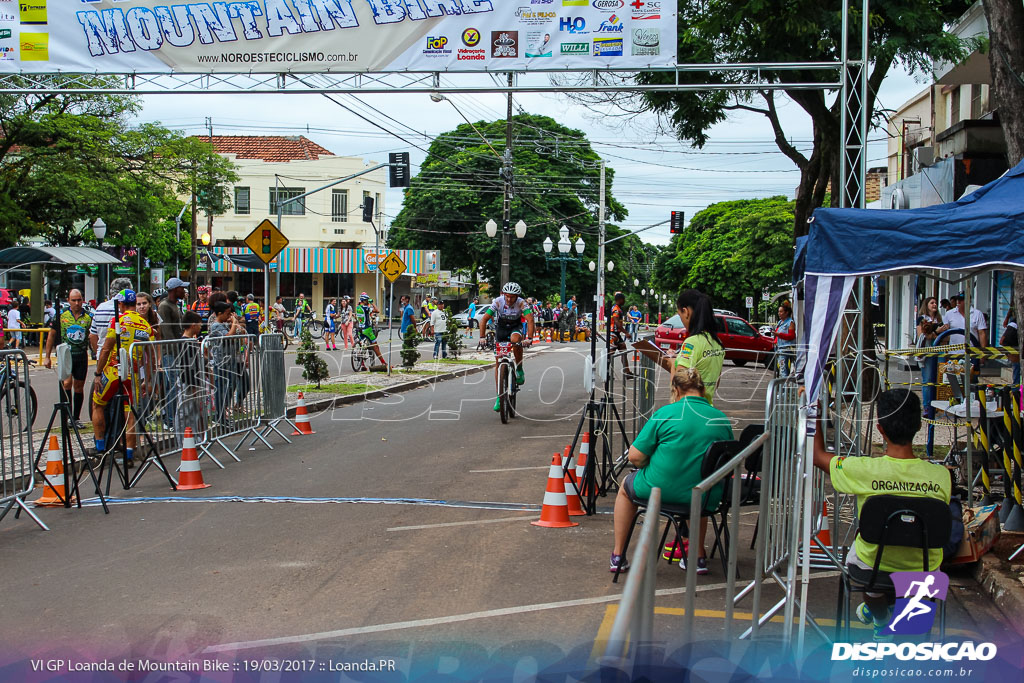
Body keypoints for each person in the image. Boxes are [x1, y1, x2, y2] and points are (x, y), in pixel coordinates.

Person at [812, 388, 951, 641]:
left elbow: (818, 456)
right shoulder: (941, 477)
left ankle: (880, 617)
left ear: (880, 429)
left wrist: (816, 416)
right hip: (924, 571)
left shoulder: (863, 469)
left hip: (872, 570)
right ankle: (905, 629)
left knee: (868, 563)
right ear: (919, 426)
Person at [609, 368, 734, 574]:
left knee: (625, 489)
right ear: (702, 390)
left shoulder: (665, 414)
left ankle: (618, 554)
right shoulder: (720, 418)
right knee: (699, 486)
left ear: (676, 390)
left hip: (659, 489)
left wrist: (648, 464)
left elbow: (635, 456)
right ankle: (697, 555)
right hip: (705, 495)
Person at [91, 289, 152, 467]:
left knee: (98, 404)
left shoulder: (118, 320)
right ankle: (129, 455)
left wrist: (97, 373)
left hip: (112, 370)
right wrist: (147, 380)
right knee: (130, 414)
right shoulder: (145, 325)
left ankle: (100, 448)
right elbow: (150, 357)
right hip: (132, 375)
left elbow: (106, 348)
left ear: (121, 304)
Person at [639, 289, 725, 404]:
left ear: (686, 312)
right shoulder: (717, 343)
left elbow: (679, 385)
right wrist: (679, 357)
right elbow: (716, 382)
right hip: (707, 408)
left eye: (680, 315)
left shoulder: (692, 342)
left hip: (687, 410)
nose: (682, 320)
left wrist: (671, 364)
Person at [478, 282, 536, 412]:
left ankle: (519, 368)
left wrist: (529, 338)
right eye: (507, 296)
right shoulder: (498, 302)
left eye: (512, 297)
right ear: (504, 295)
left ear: (517, 296)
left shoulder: (521, 303)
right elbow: (484, 319)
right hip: (501, 329)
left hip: (515, 327)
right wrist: (482, 337)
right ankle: (500, 396)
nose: (509, 300)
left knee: (516, 340)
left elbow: (530, 320)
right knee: (498, 362)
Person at [43, 288, 93, 427]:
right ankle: (67, 415)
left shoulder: (88, 316)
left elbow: (93, 335)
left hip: (81, 355)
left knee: (78, 387)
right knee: (66, 383)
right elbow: (51, 335)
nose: (77, 303)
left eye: (79, 300)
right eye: (74, 300)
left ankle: (75, 418)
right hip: (66, 354)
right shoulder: (61, 316)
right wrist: (47, 356)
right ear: (68, 301)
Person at [355, 293, 387, 367]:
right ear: (364, 300)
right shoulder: (366, 308)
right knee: (375, 346)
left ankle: (362, 364)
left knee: (363, 346)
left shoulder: (358, 307)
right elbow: (377, 310)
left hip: (360, 329)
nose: (367, 301)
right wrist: (372, 303)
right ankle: (383, 362)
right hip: (367, 329)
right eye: (366, 300)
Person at [609, 292, 632, 378]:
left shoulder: (618, 308)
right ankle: (607, 373)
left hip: (617, 333)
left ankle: (627, 372)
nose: (624, 301)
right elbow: (616, 322)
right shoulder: (616, 309)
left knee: (624, 350)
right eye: (624, 300)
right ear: (620, 300)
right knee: (610, 354)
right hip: (613, 334)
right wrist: (626, 332)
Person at [774, 301, 797, 378]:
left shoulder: (790, 322)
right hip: (779, 348)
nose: (779, 313)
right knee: (781, 368)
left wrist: (779, 335)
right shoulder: (780, 322)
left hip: (787, 348)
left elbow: (791, 336)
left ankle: (784, 388)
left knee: (783, 369)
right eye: (778, 311)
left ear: (786, 313)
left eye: (781, 311)